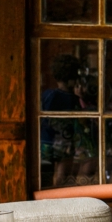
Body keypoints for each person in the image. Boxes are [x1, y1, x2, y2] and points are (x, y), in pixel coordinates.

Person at [41, 54, 81, 187]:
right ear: (69, 77)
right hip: (63, 143)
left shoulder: (47, 94)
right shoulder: (71, 99)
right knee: (62, 176)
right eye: (75, 76)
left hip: (45, 141)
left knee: (48, 177)